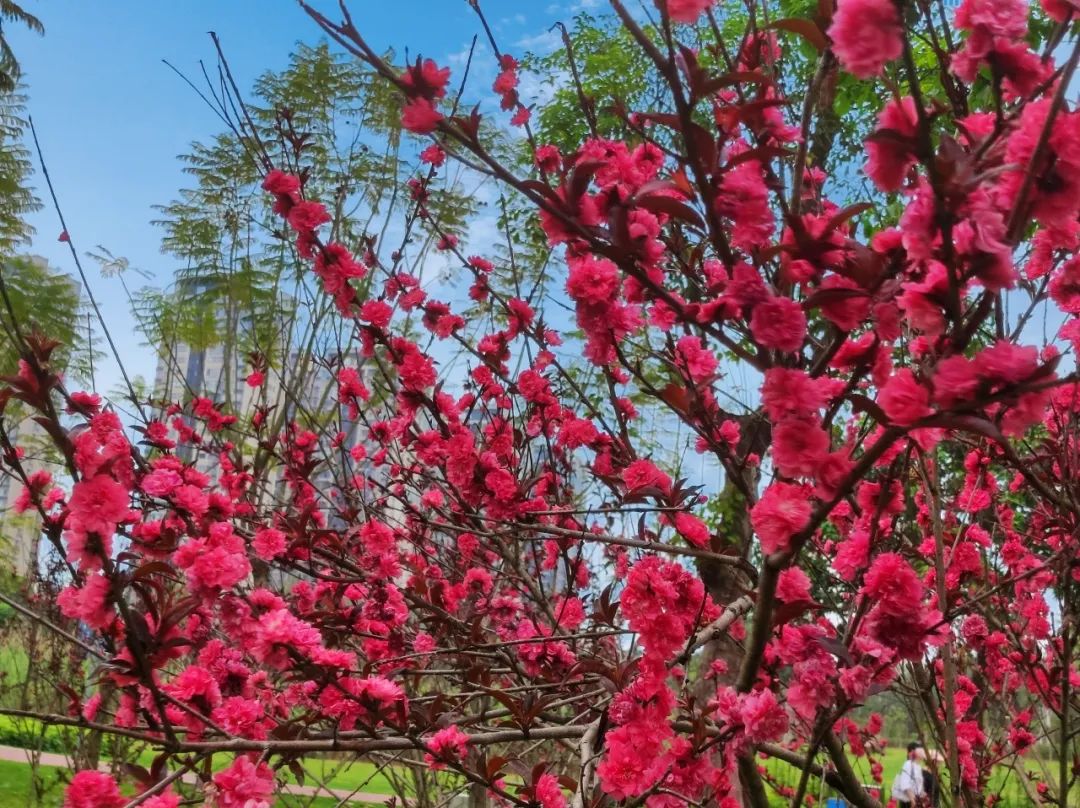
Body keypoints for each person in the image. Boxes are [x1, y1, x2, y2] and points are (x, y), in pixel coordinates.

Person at [890, 742, 925, 808]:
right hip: (908, 801)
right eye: (920, 751)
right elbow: (905, 785)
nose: (923, 753)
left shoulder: (917, 766)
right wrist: (913, 800)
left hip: (915, 800)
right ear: (912, 751)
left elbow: (919, 785)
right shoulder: (908, 764)